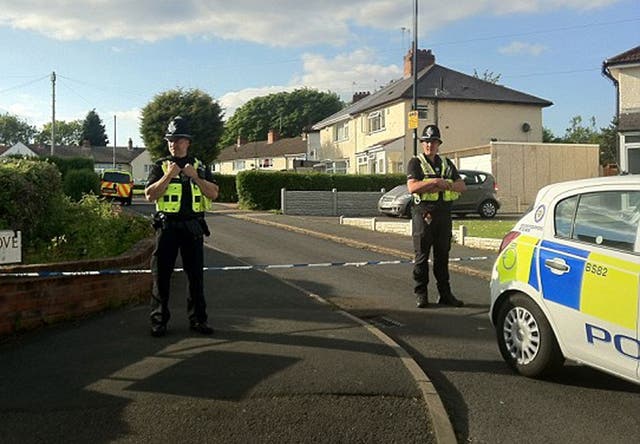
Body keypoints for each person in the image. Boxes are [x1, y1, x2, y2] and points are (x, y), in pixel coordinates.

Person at [144, 116, 219, 337]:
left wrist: (195, 177)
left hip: (193, 227)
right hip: (167, 227)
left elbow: (213, 193)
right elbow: (150, 195)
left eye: (178, 139)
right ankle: (159, 321)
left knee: (195, 277)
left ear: (188, 142)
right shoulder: (160, 166)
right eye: (170, 140)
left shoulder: (199, 166)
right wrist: (168, 175)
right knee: (161, 276)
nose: (173, 144)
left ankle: (198, 320)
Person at [407, 124, 466, 308]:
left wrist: (445, 185)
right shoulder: (415, 162)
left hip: (443, 215)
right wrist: (434, 181)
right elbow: (412, 187)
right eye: (426, 142)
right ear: (422, 143)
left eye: (433, 142)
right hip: (423, 214)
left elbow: (461, 186)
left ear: (438, 144)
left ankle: (445, 294)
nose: (429, 145)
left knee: (442, 256)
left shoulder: (447, 164)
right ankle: (421, 294)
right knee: (422, 256)